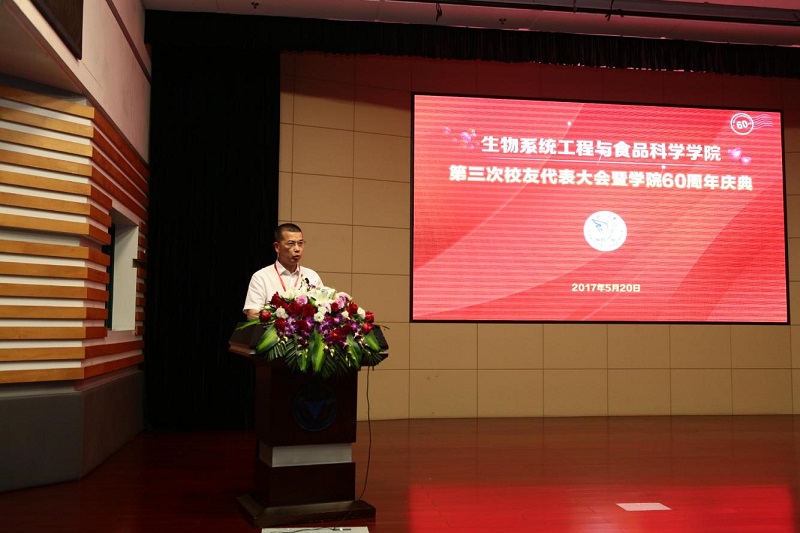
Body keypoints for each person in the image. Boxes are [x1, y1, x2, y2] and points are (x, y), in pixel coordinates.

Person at [242, 223, 323, 320]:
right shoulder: (261, 277)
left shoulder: (312, 276)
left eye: (300, 243)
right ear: (277, 247)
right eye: (291, 244)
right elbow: (253, 314)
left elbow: (322, 310)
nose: (297, 249)